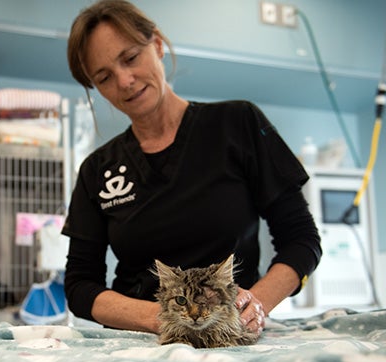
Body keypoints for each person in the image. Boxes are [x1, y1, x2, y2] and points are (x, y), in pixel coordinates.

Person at [61, 0, 322, 337]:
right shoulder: (98, 170)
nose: (124, 81)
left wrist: (255, 304)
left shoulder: (238, 124)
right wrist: (157, 318)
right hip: (141, 343)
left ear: (156, 45)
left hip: (230, 335)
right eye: (104, 77)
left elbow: (302, 239)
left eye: (130, 58)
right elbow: (80, 285)